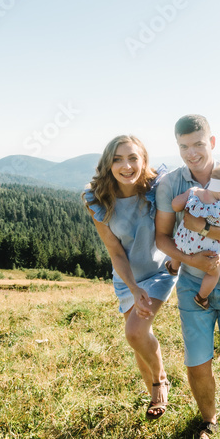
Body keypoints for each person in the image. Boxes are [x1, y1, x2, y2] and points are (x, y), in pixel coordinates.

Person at [155, 115, 220, 439]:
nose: (191, 152)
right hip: (190, 284)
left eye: (198, 144)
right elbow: (162, 238)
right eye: (183, 146)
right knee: (197, 361)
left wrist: (208, 228)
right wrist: (190, 259)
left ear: (211, 142)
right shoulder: (172, 183)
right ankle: (209, 421)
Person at [83, 135, 176, 420]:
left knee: (135, 331)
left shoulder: (158, 188)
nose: (126, 166)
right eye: (118, 159)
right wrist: (134, 288)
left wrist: (179, 258)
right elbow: (115, 251)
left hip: (161, 271)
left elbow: (184, 218)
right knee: (137, 339)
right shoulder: (97, 200)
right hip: (127, 278)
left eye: (133, 158)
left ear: (144, 160)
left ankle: (160, 382)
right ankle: (154, 394)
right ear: (108, 164)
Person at [166, 163, 220, 310]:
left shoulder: (194, 192)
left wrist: (185, 200)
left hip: (183, 241)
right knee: (214, 272)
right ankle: (201, 297)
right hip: (206, 251)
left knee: (178, 245)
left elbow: (175, 205)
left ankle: (173, 267)